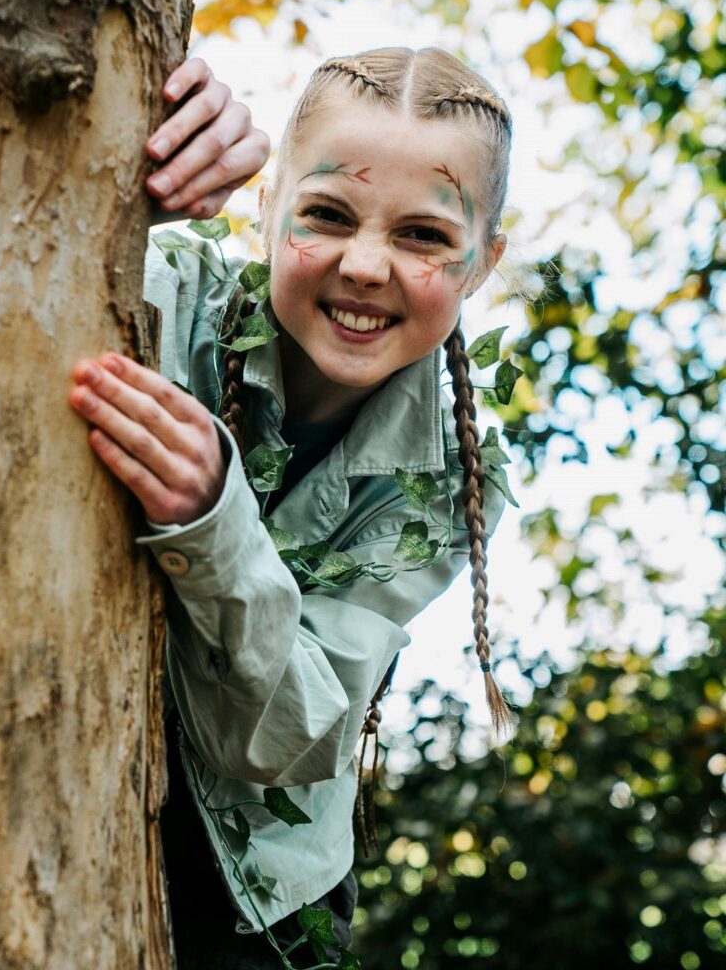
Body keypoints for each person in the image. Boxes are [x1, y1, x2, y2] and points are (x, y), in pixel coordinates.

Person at [70, 47, 517, 968]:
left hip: (261, 898)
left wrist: (212, 514)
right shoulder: (166, 290)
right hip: (71, 780)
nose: (364, 265)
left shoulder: (453, 474)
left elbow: (285, 732)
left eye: (425, 236)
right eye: (326, 213)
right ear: (267, 206)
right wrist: (115, 182)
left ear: (481, 263)